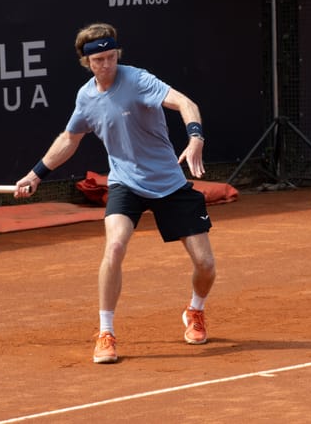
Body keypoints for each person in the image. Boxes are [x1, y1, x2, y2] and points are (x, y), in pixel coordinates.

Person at [14, 22, 217, 364]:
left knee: (206, 264)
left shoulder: (138, 79)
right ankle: (106, 332)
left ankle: (195, 310)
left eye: (111, 57)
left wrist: (195, 137)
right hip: (125, 183)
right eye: (99, 60)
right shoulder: (86, 97)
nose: (107, 65)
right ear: (87, 62)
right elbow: (70, 139)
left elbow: (185, 103)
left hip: (169, 183)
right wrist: (36, 173)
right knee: (116, 244)